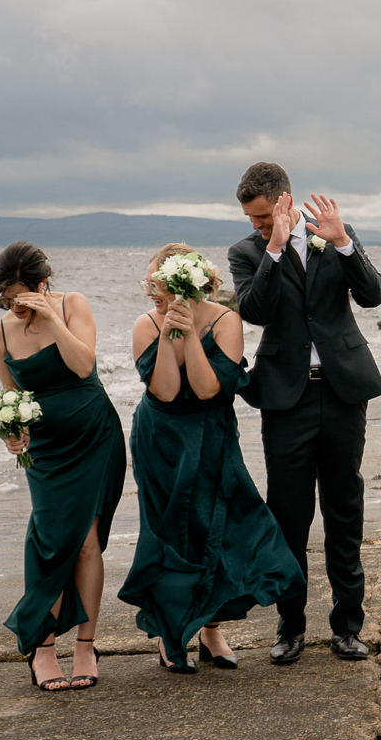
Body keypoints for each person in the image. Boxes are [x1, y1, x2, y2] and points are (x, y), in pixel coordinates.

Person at [228, 162, 381, 665]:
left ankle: (347, 627)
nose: (255, 225)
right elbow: (253, 310)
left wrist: (343, 243)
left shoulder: (335, 233)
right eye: (251, 219)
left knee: (344, 509)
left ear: (285, 200)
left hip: (342, 392)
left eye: (261, 216)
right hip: (284, 398)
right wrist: (273, 247)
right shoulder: (248, 251)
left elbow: (374, 295)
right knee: (289, 514)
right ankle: (290, 626)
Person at [119, 244, 305, 674]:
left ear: (185, 281)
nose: (150, 292)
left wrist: (190, 333)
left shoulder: (227, 320)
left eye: (156, 283)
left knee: (221, 528)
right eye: (147, 283)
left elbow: (207, 389)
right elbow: (165, 389)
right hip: (161, 438)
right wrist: (171, 332)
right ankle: (170, 635)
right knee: (169, 533)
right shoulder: (145, 324)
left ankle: (211, 630)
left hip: (212, 434)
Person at [0, 242, 127, 692]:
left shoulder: (73, 305)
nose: (16, 306)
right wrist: (11, 431)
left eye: (23, 296)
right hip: (45, 449)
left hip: (94, 436)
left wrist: (49, 317)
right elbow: (12, 396)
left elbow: (84, 365)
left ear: (43, 284)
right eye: (9, 299)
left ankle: (86, 645)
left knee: (87, 542)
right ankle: (42, 649)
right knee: (49, 539)